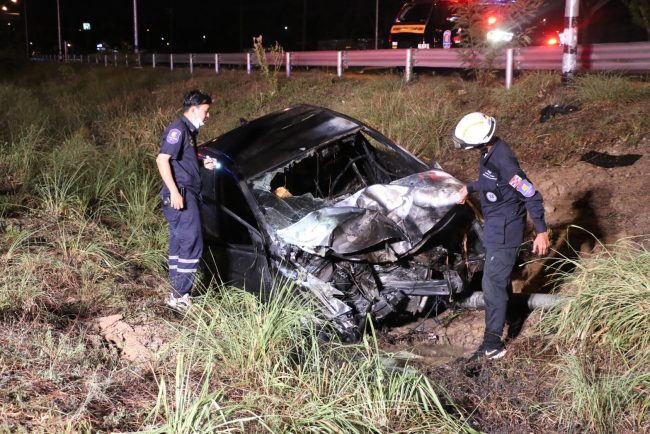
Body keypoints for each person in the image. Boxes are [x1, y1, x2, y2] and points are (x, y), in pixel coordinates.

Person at [453, 112, 550, 360]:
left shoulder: (504, 160)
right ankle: (511, 314)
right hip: (496, 226)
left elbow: (531, 195)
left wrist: (541, 231)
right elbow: (492, 182)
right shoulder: (489, 152)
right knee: (499, 279)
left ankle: (492, 344)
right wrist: (469, 188)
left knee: (491, 284)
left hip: (506, 230)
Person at [156, 90, 215, 312]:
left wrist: (201, 166)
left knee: (180, 243)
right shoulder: (177, 130)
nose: (208, 116)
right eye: (206, 111)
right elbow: (162, 160)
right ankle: (180, 296)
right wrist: (174, 192)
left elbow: (181, 164)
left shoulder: (188, 132)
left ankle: (176, 292)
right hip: (181, 194)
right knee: (192, 243)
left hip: (185, 192)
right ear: (194, 108)